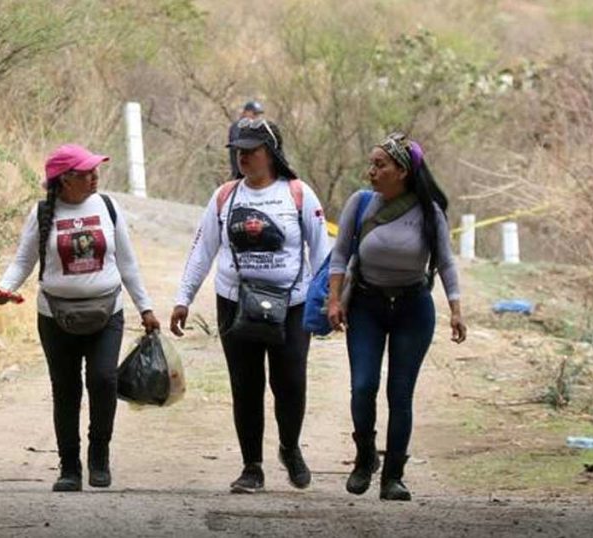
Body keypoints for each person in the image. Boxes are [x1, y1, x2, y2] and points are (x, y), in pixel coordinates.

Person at [171, 119, 330, 493]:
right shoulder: (225, 196)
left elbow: (323, 253)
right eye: (238, 150)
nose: (243, 156)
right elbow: (202, 250)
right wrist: (183, 298)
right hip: (235, 303)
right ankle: (251, 467)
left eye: (251, 150)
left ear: (271, 153)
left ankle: (290, 448)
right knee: (246, 385)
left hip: (292, 305)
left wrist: (330, 300)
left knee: (289, 381)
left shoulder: (298, 194)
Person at [0, 144, 160, 492]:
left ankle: (99, 456)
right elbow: (23, 261)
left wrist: (145, 308)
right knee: (65, 391)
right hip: (55, 317)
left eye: (95, 169)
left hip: (106, 312)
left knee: (102, 381)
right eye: (85, 172)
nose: (94, 176)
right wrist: (5, 289)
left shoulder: (108, 207)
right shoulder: (42, 213)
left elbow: (127, 263)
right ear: (65, 179)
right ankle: (69, 467)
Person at [326, 133, 467, 501]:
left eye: (379, 165)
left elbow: (447, 263)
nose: (371, 171)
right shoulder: (359, 205)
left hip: (412, 308)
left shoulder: (428, 212)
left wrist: (455, 309)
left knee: (400, 393)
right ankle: (365, 457)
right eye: (371, 164)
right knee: (363, 385)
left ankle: (393, 477)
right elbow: (340, 257)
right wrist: (333, 301)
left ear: (402, 171)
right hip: (367, 306)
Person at [228, 100, 265, 180]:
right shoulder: (238, 126)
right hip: (241, 174)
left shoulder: (256, 128)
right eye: (254, 114)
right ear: (245, 112)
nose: (257, 117)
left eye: (258, 114)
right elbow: (237, 145)